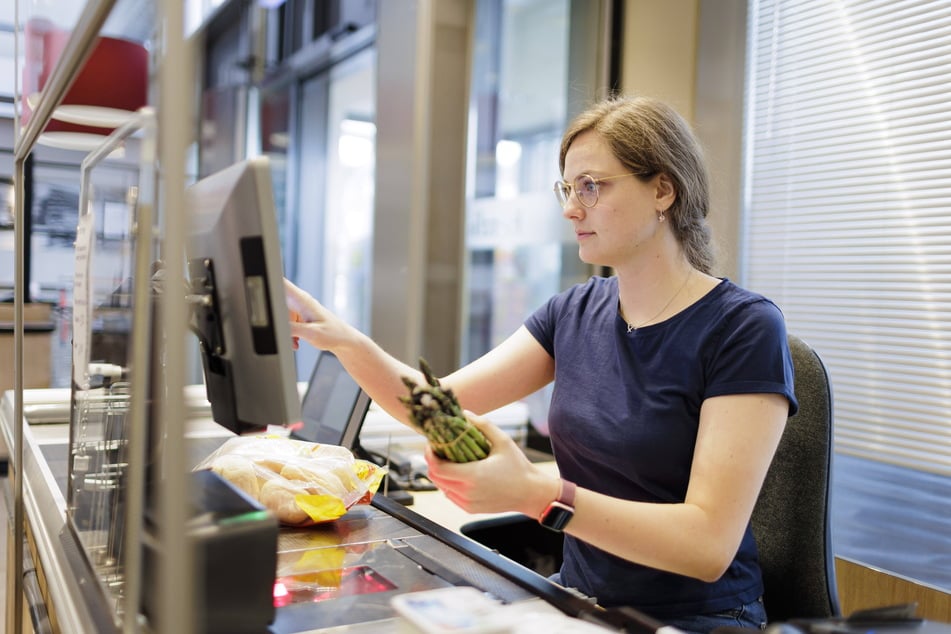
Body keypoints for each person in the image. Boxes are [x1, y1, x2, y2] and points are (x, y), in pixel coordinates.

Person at [285, 94, 796, 634]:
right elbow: (437, 410)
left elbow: (707, 545)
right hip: (581, 605)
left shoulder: (743, 328)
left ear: (663, 189)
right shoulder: (574, 312)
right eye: (568, 189)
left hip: (700, 618)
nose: (572, 209)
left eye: (592, 187)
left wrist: (538, 493)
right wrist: (342, 340)